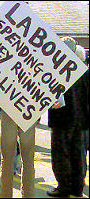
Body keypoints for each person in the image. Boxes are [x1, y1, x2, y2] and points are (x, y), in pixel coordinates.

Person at [46, 37, 88, 198]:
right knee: (78, 155)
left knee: (61, 155)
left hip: (61, 121)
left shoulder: (56, 71)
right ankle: (77, 188)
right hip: (81, 121)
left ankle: (64, 187)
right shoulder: (84, 71)